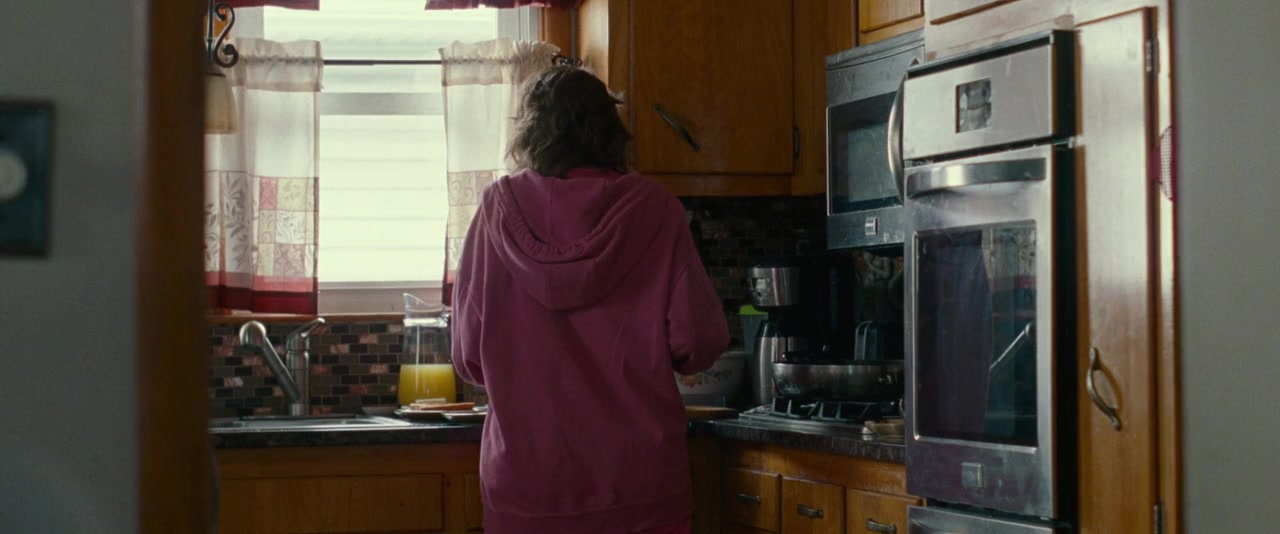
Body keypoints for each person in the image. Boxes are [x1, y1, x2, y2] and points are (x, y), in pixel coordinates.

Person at [450, 65, 730, 534]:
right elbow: (698, 342)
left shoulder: (495, 213)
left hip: (527, 485)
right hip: (639, 485)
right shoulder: (655, 209)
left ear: (530, 133)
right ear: (610, 129)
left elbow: (468, 359)